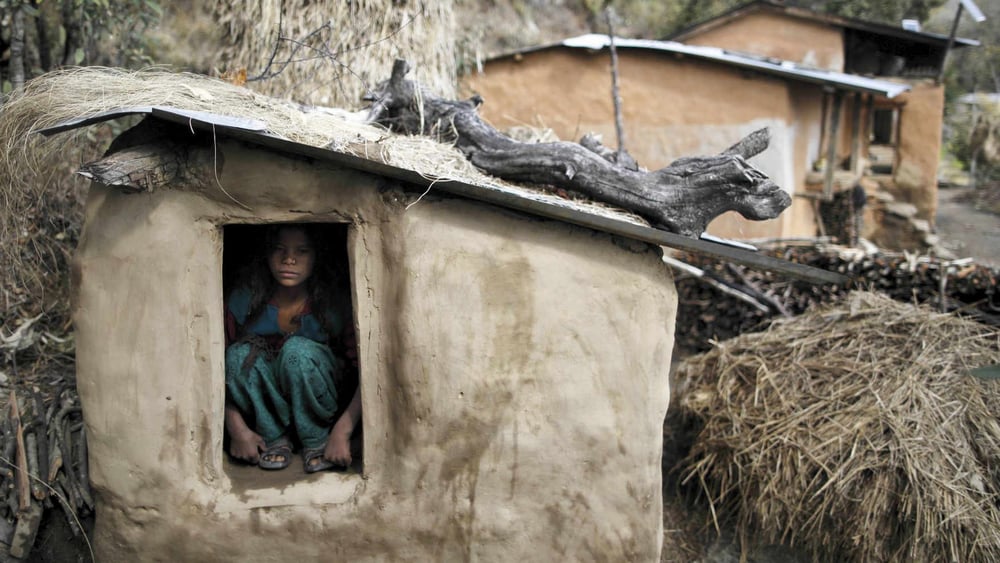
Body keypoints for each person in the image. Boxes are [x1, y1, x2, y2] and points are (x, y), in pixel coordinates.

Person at [224, 224, 360, 473]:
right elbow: (210, 371)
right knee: (237, 356)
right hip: (262, 414)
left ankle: (316, 439)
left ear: (317, 256)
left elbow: (368, 374)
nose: (289, 259)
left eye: (302, 251)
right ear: (266, 254)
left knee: (297, 352)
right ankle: (273, 438)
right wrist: (236, 429)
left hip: (324, 408)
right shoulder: (243, 300)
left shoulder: (335, 304)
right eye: (279, 250)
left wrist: (343, 431)